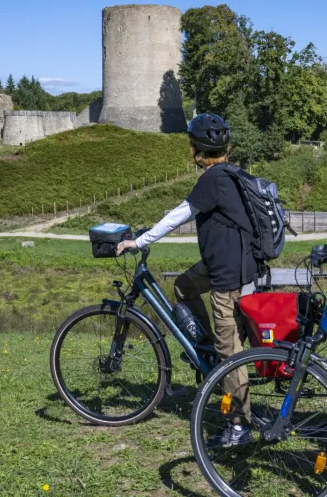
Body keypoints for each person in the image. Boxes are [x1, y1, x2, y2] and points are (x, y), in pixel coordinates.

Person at [116, 113, 257, 447]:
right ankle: (205, 348)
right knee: (182, 286)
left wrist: (140, 241)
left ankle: (240, 425)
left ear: (197, 149)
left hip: (227, 274)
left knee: (230, 353)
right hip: (226, 264)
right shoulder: (231, 173)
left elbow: (180, 214)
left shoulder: (212, 180)